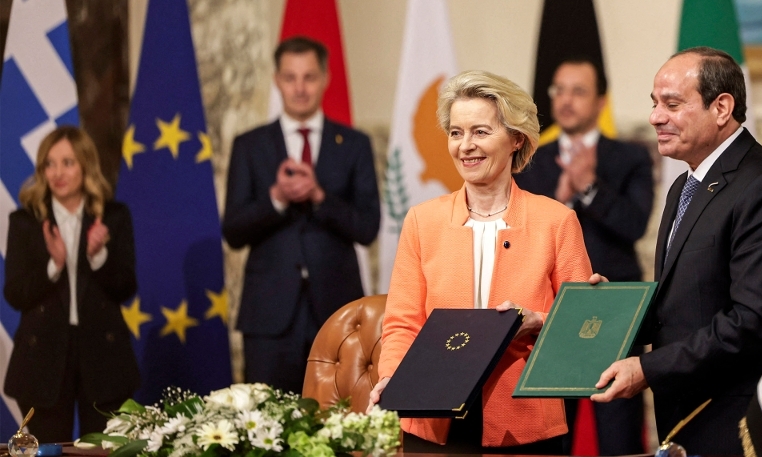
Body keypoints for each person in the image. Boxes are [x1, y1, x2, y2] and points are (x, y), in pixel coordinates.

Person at [369, 70, 593, 454]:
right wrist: (394, 378)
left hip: (525, 425)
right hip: (432, 420)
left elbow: (583, 332)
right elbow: (403, 323)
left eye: (481, 132)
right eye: (456, 133)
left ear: (516, 139)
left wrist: (541, 322)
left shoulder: (556, 221)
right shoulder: (422, 221)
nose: (465, 146)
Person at [591, 46, 762, 455]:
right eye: (654, 104)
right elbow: (684, 300)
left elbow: (750, 323)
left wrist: (646, 369)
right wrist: (609, 313)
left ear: (722, 107)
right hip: (687, 417)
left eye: (672, 104)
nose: (655, 118)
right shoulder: (686, 184)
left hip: (736, 423)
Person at [222, 36, 380, 395]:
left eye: (309, 77)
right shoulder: (250, 145)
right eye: (290, 78)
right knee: (266, 425)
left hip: (337, 312)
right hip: (269, 316)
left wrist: (320, 197)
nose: (299, 88)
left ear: (325, 78)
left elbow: (367, 227)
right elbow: (233, 230)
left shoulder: (354, 144)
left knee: (337, 422)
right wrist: (276, 198)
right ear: (277, 80)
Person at [515, 57, 653, 455]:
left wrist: (589, 187)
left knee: (619, 434)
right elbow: (519, 232)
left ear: (600, 102)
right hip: (549, 310)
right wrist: (557, 203)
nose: (566, 100)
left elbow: (635, 224)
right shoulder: (529, 159)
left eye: (578, 91)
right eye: (559, 90)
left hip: (612, 308)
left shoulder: (629, 157)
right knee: (552, 432)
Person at [3, 126, 139, 442]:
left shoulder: (113, 217)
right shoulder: (25, 221)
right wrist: (55, 265)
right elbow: (15, 293)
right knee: (48, 449)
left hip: (103, 357)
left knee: (104, 449)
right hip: (43, 360)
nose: (57, 173)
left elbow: (125, 288)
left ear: (86, 166)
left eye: (67, 162)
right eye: (49, 164)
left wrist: (98, 256)